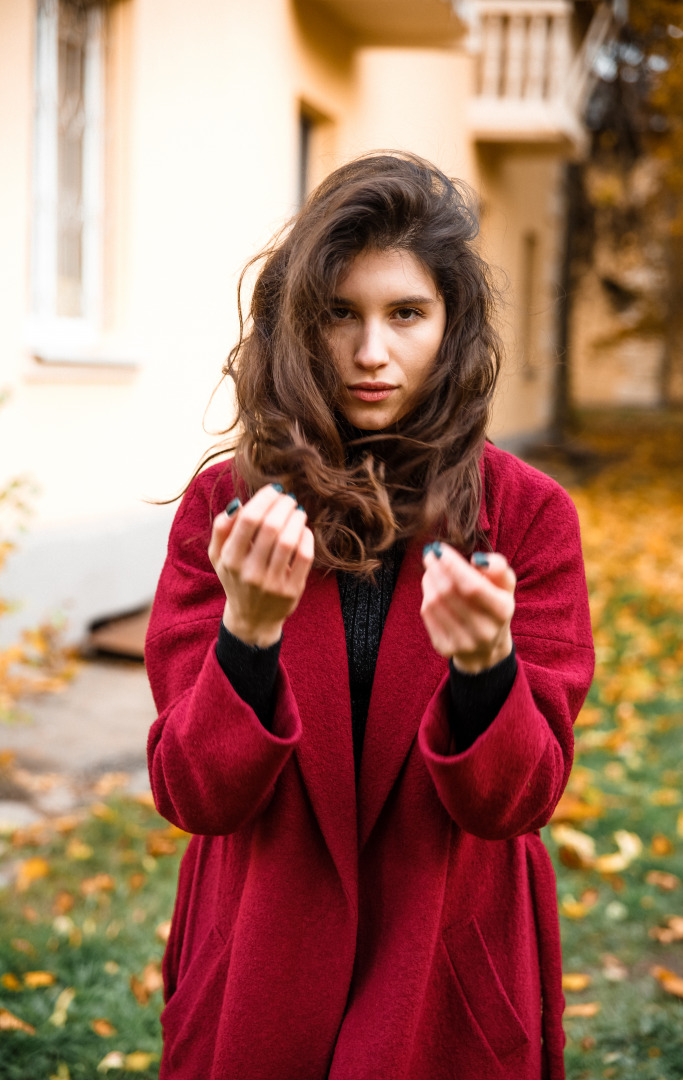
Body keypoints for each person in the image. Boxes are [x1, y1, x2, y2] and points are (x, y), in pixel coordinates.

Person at [145, 151, 595, 1080]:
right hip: (260, 960)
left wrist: (487, 675)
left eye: (406, 314)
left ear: (452, 324)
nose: (371, 353)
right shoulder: (225, 512)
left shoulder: (527, 515)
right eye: (339, 314)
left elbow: (519, 803)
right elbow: (196, 797)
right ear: (298, 326)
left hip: (447, 971)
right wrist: (249, 637)